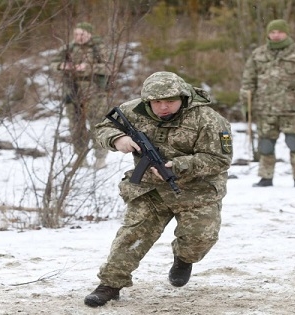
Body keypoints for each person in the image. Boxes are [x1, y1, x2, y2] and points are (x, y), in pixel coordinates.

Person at [84, 71, 233, 307]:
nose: (163, 107)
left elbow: (219, 160)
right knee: (131, 236)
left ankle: (184, 258)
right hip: (149, 190)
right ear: (147, 100)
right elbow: (102, 127)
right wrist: (117, 139)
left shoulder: (209, 120)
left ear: (182, 98)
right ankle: (110, 285)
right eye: (157, 102)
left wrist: (181, 165)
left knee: (200, 239)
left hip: (197, 190)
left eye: (170, 102)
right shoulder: (133, 110)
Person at [240, 19, 295, 189]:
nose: (276, 35)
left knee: (294, 143)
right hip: (265, 109)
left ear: (286, 33)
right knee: (266, 145)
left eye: (279, 32)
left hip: (291, 108)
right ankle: (266, 177)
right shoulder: (258, 55)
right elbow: (248, 82)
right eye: (273, 32)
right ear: (268, 34)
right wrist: (246, 104)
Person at [50, 22, 112, 169]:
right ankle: (80, 157)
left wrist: (89, 67)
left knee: (97, 125)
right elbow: (53, 63)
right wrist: (62, 66)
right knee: (76, 126)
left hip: (95, 93)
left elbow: (109, 67)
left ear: (89, 34)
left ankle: (100, 158)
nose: (79, 37)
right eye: (76, 34)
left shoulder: (99, 48)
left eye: (82, 34)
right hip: (73, 92)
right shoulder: (69, 48)